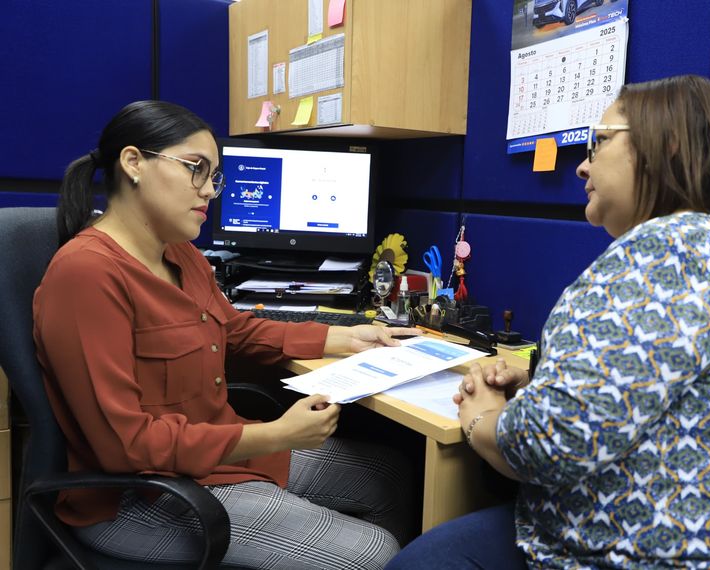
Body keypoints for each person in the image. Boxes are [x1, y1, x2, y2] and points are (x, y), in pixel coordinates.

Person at [387, 75, 710, 569]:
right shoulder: (702, 247)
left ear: (664, 144)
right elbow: (639, 390)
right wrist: (545, 383)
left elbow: (545, 447)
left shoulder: (667, 257)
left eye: (599, 141)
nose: (582, 164)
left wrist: (482, 416)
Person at [33, 100, 421, 569]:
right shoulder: (86, 275)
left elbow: (233, 330)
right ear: (133, 162)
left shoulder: (181, 253)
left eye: (214, 176)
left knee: (391, 476)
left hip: (215, 456)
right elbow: (127, 446)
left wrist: (344, 339)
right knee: (371, 555)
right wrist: (276, 435)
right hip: (140, 498)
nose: (210, 191)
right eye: (196, 169)